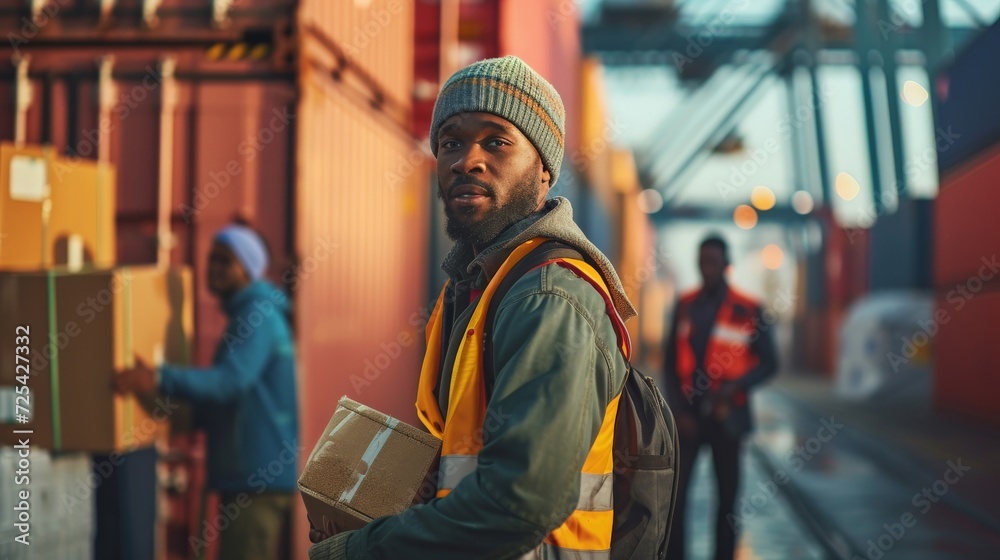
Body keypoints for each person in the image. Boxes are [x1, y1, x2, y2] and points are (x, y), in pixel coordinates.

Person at [309, 55, 638, 559]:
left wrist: (359, 551)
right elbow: (466, 463)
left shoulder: (549, 297)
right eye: (451, 142)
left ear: (545, 171)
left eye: (497, 140)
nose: (467, 160)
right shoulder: (474, 290)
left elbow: (516, 507)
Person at [114, 224, 299, 560]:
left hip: (256, 481)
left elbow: (230, 382)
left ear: (247, 268)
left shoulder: (258, 315)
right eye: (211, 259)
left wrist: (158, 378)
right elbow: (230, 396)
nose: (213, 268)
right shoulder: (247, 314)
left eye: (224, 261)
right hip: (247, 479)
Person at [663, 235, 778, 560]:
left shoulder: (749, 308)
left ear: (727, 264)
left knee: (727, 503)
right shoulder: (685, 306)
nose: (706, 268)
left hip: (728, 418)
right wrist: (677, 409)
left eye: (712, 262)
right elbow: (671, 364)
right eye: (702, 262)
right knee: (675, 499)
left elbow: (770, 363)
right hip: (688, 419)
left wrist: (735, 386)